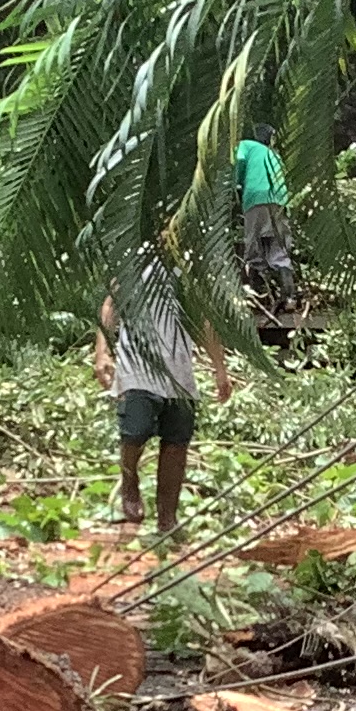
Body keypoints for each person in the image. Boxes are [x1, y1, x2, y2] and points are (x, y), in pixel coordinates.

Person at [95, 265, 230, 536]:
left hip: (179, 373)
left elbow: (204, 321)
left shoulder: (189, 269)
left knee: (176, 445)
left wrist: (220, 368)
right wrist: (102, 352)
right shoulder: (135, 258)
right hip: (138, 369)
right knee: (135, 431)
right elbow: (111, 304)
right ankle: (129, 482)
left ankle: (167, 518)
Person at [236, 121, 296, 311]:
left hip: (255, 198)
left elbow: (239, 162)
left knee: (253, 246)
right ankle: (290, 298)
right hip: (279, 200)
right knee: (279, 250)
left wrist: (236, 184)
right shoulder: (274, 155)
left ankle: (256, 295)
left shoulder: (246, 145)